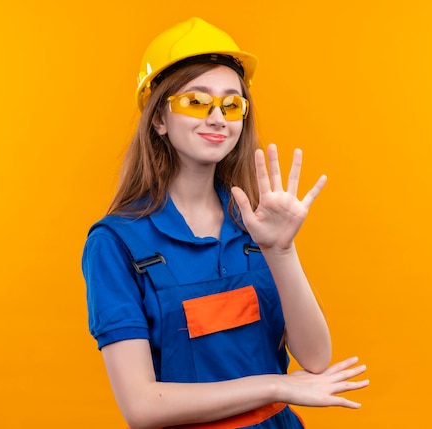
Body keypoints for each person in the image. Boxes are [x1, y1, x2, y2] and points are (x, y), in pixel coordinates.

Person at [82, 17, 369, 429]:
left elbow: (316, 358)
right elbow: (142, 406)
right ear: (159, 120)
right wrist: (275, 386)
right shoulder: (116, 242)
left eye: (232, 104)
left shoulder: (255, 223)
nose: (218, 117)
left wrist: (281, 250)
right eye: (196, 101)